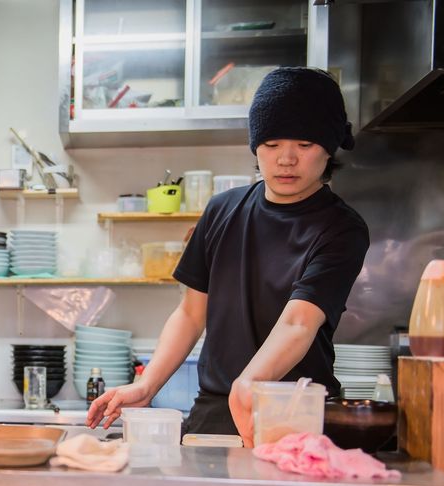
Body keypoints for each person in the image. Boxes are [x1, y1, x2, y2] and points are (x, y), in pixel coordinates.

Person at [86, 67, 369, 445]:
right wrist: (146, 384)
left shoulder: (341, 228)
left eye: (304, 145)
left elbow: (300, 322)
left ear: (329, 147)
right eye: (271, 145)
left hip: (293, 413)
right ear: (256, 146)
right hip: (214, 412)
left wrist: (250, 384)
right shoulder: (222, 210)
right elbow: (190, 313)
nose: (286, 159)